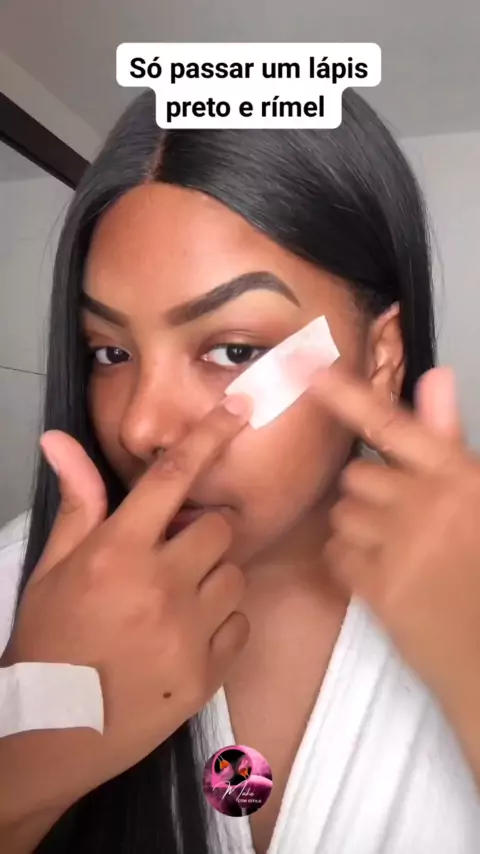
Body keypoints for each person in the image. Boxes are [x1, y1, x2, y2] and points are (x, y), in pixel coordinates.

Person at [1, 89, 480, 854]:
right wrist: (26, 760)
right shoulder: (21, 591)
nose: (141, 427)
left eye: (234, 350)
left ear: (380, 356)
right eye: (110, 353)